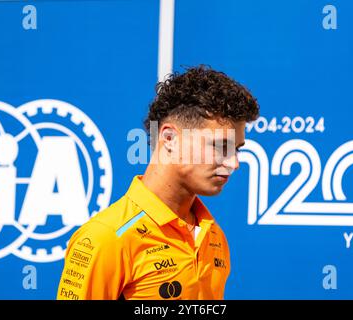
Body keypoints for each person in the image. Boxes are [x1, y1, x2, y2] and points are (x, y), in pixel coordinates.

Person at [57, 65, 259, 300]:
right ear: (170, 138)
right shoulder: (106, 237)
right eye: (220, 146)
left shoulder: (213, 235)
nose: (234, 163)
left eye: (236, 149)